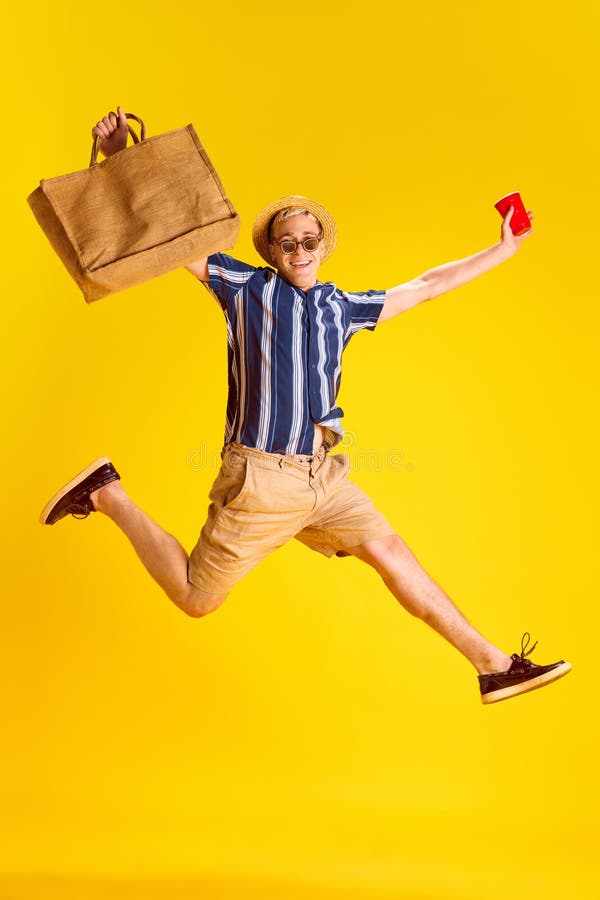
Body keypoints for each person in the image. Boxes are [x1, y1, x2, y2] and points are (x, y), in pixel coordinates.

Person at [39, 107, 571, 705]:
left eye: (308, 240)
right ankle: (107, 492)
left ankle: (494, 665)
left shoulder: (342, 306)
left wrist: (503, 251)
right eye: (287, 241)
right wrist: (119, 158)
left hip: (325, 477)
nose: (299, 249)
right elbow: (172, 237)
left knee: (391, 553)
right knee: (195, 598)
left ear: (322, 246)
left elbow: (424, 286)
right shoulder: (243, 288)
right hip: (265, 479)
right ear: (271, 249)